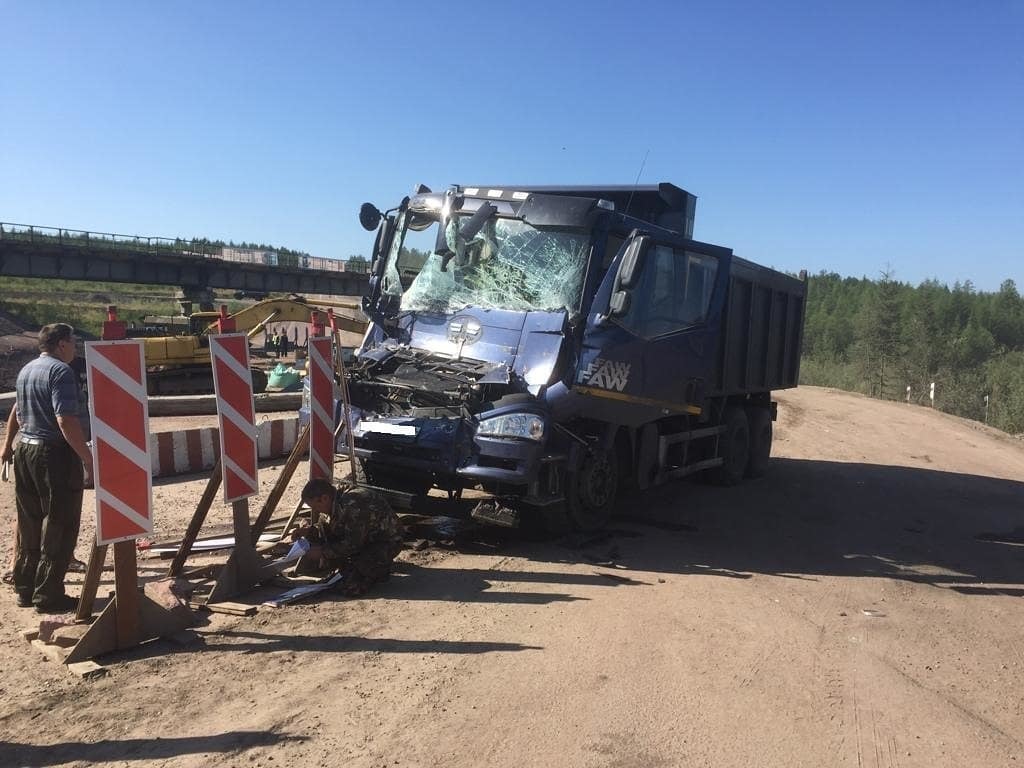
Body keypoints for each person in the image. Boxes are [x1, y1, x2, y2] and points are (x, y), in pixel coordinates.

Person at [0, 323, 93, 613]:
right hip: (52, 455)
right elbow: (65, 420)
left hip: (25, 451)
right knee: (59, 522)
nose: (75, 347)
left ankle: (25, 588)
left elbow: (17, 409)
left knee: (29, 522)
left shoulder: (28, 370)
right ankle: (48, 595)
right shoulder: (61, 372)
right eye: (73, 341)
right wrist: (87, 459)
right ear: (61, 344)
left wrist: (7, 445)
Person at [292, 478, 404, 596]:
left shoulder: (354, 504)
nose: (314, 510)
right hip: (363, 539)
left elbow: (353, 544)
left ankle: (376, 571)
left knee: (349, 586)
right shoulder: (333, 500)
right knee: (340, 573)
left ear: (324, 498)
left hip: (385, 542)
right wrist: (308, 531)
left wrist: (323, 552)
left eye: (315, 506)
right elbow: (327, 527)